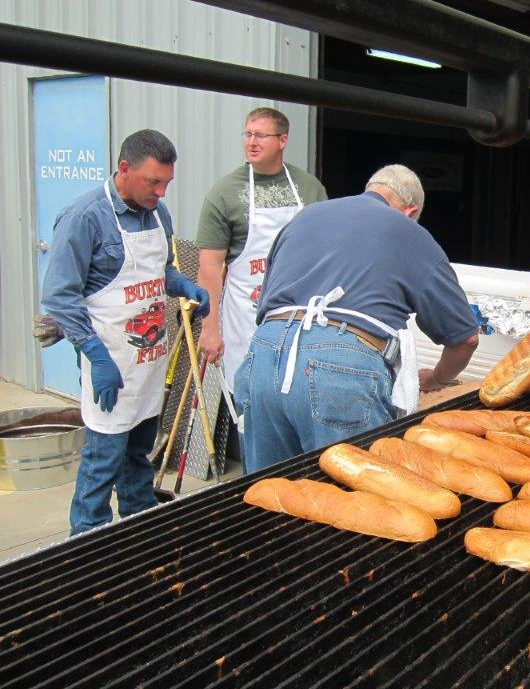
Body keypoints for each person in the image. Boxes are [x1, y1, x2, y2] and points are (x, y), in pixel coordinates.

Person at [235, 164, 480, 471]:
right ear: (411, 210)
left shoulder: (305, 217)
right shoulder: (409, 232)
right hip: (339, 366)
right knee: (353, 504)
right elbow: (465, 339)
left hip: (263, 356)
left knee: (268, 497)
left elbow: (268, 301)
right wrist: (437, 378)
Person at [41, 130, 210, 535]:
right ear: (123, 169)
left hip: (147, 366)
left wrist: (181, 284)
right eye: (153, 182)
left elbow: (158, 271)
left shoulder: (157, 214)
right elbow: (60, 296)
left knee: (140, 458)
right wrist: (95, 355)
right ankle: (86, 547)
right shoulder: (85, 217)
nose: (161, 191)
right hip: (110, 365)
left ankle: (139, 532)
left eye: (167, 182)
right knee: (103, 464)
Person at [195, 107, 327, 396]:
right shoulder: (225, 193)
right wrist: (209, 328)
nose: (252, 142)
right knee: (250, 401)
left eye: (261, 135)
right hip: (245, 320)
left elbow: (325, 253)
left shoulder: (308, 189)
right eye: (248, 134)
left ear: (282, 140)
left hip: (299, 319)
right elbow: (209, 267)